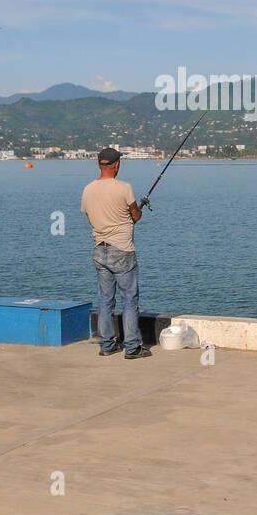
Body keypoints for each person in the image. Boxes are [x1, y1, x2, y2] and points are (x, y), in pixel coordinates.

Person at [80, 147, 150, 359]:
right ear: (117, 165)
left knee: (105, 300)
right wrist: (140, 207)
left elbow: (91, 219)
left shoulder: (88, 189)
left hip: (100, 249)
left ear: (99, 164)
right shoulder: (124, 187)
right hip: (123, 250)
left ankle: (106, 345)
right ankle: (132, 347)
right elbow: (135, 217)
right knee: (129, 299)